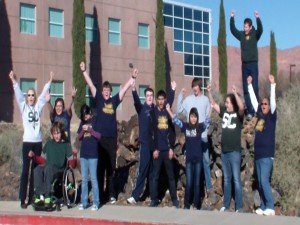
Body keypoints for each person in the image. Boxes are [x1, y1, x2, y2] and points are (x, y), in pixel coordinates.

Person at [80, 62, 136, 204]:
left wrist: (132, 78)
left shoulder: (114, 101)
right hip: (99, 139)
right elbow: (91, 86)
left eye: (108, 90)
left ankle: (111, 194)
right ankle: (101, 196)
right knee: (100, 168)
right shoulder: (98, 99)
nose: (105, 91)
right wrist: (84, 71)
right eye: (104, 89)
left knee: (111, 168)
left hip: (111, 139)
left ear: (110, 91)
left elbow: (123, 90)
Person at [9, 70, 52, 209]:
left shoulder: (38, 107)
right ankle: (23, 199)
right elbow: (18, 94)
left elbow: (43, 95)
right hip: (27, 143)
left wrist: (50, 81)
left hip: (37, 143)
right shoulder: (24, 107)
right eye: (29, 96)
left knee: (36, 171)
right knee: (25, 170)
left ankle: (33, 197)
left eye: (33, 95)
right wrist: (14, 81)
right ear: (26, 97)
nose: (31, 97)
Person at [207, 84, 244, 212]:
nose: (226, 104)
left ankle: (239, 206)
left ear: (232, 103)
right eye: (225, 103)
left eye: (228, 102)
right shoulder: (224, 112)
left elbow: (242, 107)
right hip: (225, 152)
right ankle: (226, 204)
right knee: (227, 179)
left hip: (235, 152)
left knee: (236, 179)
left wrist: (235, 93)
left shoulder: (238, 116)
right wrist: (210, 92)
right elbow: (214, 104)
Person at [166, 104, 211, 209]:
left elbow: (208, 120)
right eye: (191, 116)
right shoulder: (186, 126)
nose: (193, 118)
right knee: (189, 183)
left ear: (197, 118)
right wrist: (168, 110)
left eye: (195, 116)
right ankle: (186, 205)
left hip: (198, 159)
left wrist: (211, 108)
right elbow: (176, 120)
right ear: (189, 117)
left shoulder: (200, 127)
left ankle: (196, 205)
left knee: (197, 183)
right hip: (189, 159)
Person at [177, 78, 212, 196]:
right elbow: (179, 110)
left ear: (200, 87)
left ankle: (209, 188)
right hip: (191, 137)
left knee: (206, 162)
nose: (194, 88)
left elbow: (208, 115)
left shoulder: (205, 100)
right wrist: (181, 95)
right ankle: (190, 191)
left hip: (202, 136)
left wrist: (205, 130)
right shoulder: (188, 100)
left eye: (196, 86)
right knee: (191, 164)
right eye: (193, 86)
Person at [247, 75, 276, 216]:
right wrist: (249, 86)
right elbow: (253, 101)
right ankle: (264, 206)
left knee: (264, 181)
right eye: (262, 104)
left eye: (266, 104)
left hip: (267, 155)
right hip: (258, 155)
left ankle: (270, 206)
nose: (263, 105)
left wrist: (272, 85)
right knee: (260, 182)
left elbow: (273, 101)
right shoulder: (259, 116)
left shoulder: (271, 116)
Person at [29, 122, 73, 208]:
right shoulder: (49, 144)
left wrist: (73, 158)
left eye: (58, 133)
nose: (56, 136)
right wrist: (33, 156)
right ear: (52, 134)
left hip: (60, 169)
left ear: (62, 133)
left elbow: (72, 161)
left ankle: (47, 196)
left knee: (49, 168)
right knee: (37, 169)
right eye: (54, 133)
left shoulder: (66, 145)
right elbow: (42, 160)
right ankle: (40, 195)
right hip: (48, 167)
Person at [127, 71, 156, 204]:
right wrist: (133, 88)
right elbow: (136, 100)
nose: (149, 97)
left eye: (151, 95)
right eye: (147, 95)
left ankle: (153, 196)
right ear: (145, 97)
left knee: (153, 172)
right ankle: (135, 195)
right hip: (144, 144)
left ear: (153, 97)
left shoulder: (156, 110)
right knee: (143, 169)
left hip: (155, 146)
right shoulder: (142, 108)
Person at [151, 87, 180, 208]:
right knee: (155, 177)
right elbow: (151, 132)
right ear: (157, 100)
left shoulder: (168, 113)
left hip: (167, 150)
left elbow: (173, 132)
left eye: (163, 99)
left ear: (165, 100)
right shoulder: (154, 113)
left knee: (171, 176)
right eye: (159, 99)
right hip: (158, 150)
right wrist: (154, 149)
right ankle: (154, 200)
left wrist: (171, 148)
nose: (161, 101)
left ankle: (174, 199)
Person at [230, 10, 263, 118]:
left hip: (253, 64)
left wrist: (258, 18)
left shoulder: (254, 35)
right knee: (246, 88)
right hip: (244, 65)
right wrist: (232, 18)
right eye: (244, 26)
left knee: (254, 87)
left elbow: (261, 30)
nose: (245, 28)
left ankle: (256, 109)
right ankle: (249, 111)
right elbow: (233, 30)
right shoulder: (241, 35)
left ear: (250, 27)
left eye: (246, 27)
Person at [77, 104, 101, 211]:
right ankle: (84, 202)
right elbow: (79, 137)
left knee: (94, 179)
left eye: (86, 115)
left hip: (93, 155)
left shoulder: (95, 120)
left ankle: (96, 202)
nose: (85, 117)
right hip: (84, 155)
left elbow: (99, 136)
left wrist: (90, 130)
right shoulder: (82, 122)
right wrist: (83, 130)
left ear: (89, 113)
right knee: (84, 179)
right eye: (83, 116)